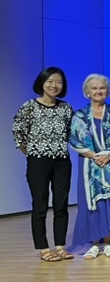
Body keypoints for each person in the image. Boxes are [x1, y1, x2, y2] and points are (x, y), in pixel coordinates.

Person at [12, 67, 74, 261]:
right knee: (40, 205)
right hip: (38, 162)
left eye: (58, 82)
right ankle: (43, 248)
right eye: (50, 81)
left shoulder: (66, 108)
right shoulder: (29, 106)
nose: (54, 85)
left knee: (61, 205)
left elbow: (72, 133)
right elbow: (18, 132)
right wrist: (32, 153)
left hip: (62, 162)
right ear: (42, 83)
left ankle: (60, 246)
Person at [69, 74, 110, 259]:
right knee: (92, 204)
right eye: (94, 88)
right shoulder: (79, 116)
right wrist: (92, 155)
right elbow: (74, 139)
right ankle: (95, 244)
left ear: (108, 91)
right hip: (89, 164)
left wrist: (106, 155)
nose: (98, 91)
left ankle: (108, 242)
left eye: (102, 88)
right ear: (87, 92)